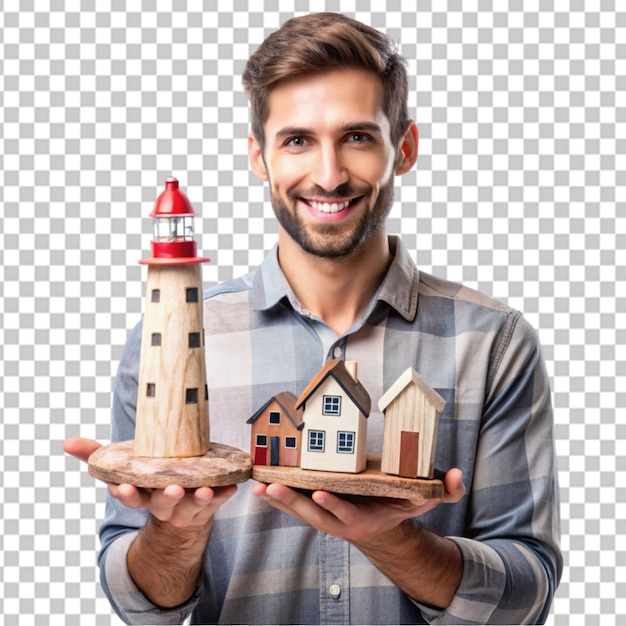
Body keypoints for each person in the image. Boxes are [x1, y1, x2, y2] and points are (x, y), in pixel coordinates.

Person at [65, 12, 562, 624]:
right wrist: (177, 533)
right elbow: (142, 608)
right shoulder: (166, 349)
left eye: (357, 137)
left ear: (402, 148)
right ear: (259, 157)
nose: (328, 175)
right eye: (297, 140)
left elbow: (528, 595)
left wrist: (390, 538)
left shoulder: (494, 341)